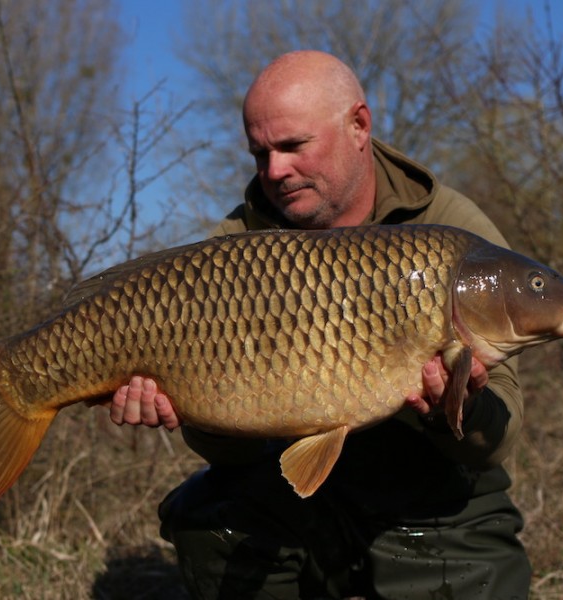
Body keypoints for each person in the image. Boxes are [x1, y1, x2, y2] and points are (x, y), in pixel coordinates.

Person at [110, 50, 531, 599]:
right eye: (260, 153)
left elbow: (496, 441)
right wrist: (194, 413)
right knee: (210, 519)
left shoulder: (450, 234)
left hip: (431, 491)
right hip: (295, 486)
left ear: (359, 125)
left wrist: (457, 405)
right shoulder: (235, 247)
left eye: (292, 146)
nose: (274, 171)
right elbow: (229, 454)